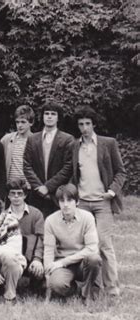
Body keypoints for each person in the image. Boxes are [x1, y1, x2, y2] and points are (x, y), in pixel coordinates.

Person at [71, 105, 126, 296]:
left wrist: (111, 191)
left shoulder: (108, 143)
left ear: (94, 124)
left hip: (102, 202)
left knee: (104, 244)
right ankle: (94, 286)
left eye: (87, 123)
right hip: (83, 203)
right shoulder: (74, 146)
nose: (84, 128)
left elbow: (121, 171)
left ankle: (112, 289)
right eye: (81, 124)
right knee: (86, 246)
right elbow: (73, 175)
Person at [44, 184, 102, 301]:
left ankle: (88, 294)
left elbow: (92, 248)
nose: (65, 205)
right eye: (62, 201)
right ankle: (75, 290)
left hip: (83, 262)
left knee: (94, 259)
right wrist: (48, 274)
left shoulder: (87, 217)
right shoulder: (50, 220)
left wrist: (64, 261)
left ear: (77, 201)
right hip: (64, 264)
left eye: (69, 200)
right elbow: (48, 250)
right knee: (56, 285)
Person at [23, 101, 74, 217]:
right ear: (42, 117)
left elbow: (68, 167)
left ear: (58, 118)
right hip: (36, 195)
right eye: (46, 114)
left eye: (53, 114)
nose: (49, 116)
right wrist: (39, 187)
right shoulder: (32, 139)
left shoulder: (67, 139)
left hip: (58, 194)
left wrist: (48, 187)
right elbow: (26, 165)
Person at [6, 178, 45, 293]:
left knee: (38, 275)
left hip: (31, 258)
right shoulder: (3, 216)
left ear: (25, 195)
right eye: (13, 193)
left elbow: (41, 240)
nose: (16, 197)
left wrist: (37, 259)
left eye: (20, 193)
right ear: (8, 196)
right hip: (12, 258)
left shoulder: (36, 214)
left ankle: (34, 288)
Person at [1, 105, 34, 187]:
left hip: (29, 187)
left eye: (23, 122)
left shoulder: (36, 141)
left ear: (31, 123)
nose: (19, 125)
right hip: (11, 186)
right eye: (17, 122)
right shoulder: (7, 139)